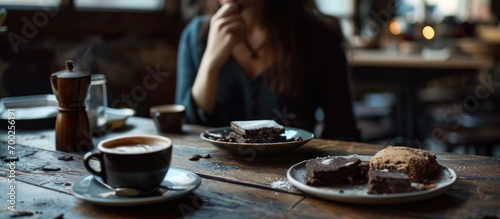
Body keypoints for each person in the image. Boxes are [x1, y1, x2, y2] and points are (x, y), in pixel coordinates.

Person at [175, 0, 361, 141]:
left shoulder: (319, 37)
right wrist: (210, 64)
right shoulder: (195, 36)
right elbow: (186, 130)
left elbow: (343, 131)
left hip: (290, 178)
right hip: (212, 177)